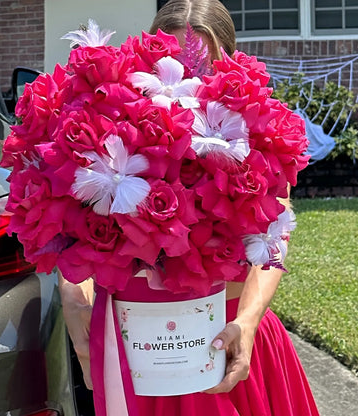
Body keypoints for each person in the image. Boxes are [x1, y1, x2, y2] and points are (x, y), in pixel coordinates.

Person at [58, 1, 320, 415]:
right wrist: (77, 316)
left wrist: (248, 321)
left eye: (204, 64)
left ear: (227, 64)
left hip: (230, 338)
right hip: (142, 349)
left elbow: (273, 238)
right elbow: (75, 234)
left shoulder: (259, 130)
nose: (190, 76)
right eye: (172, 60)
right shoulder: (114, 127)